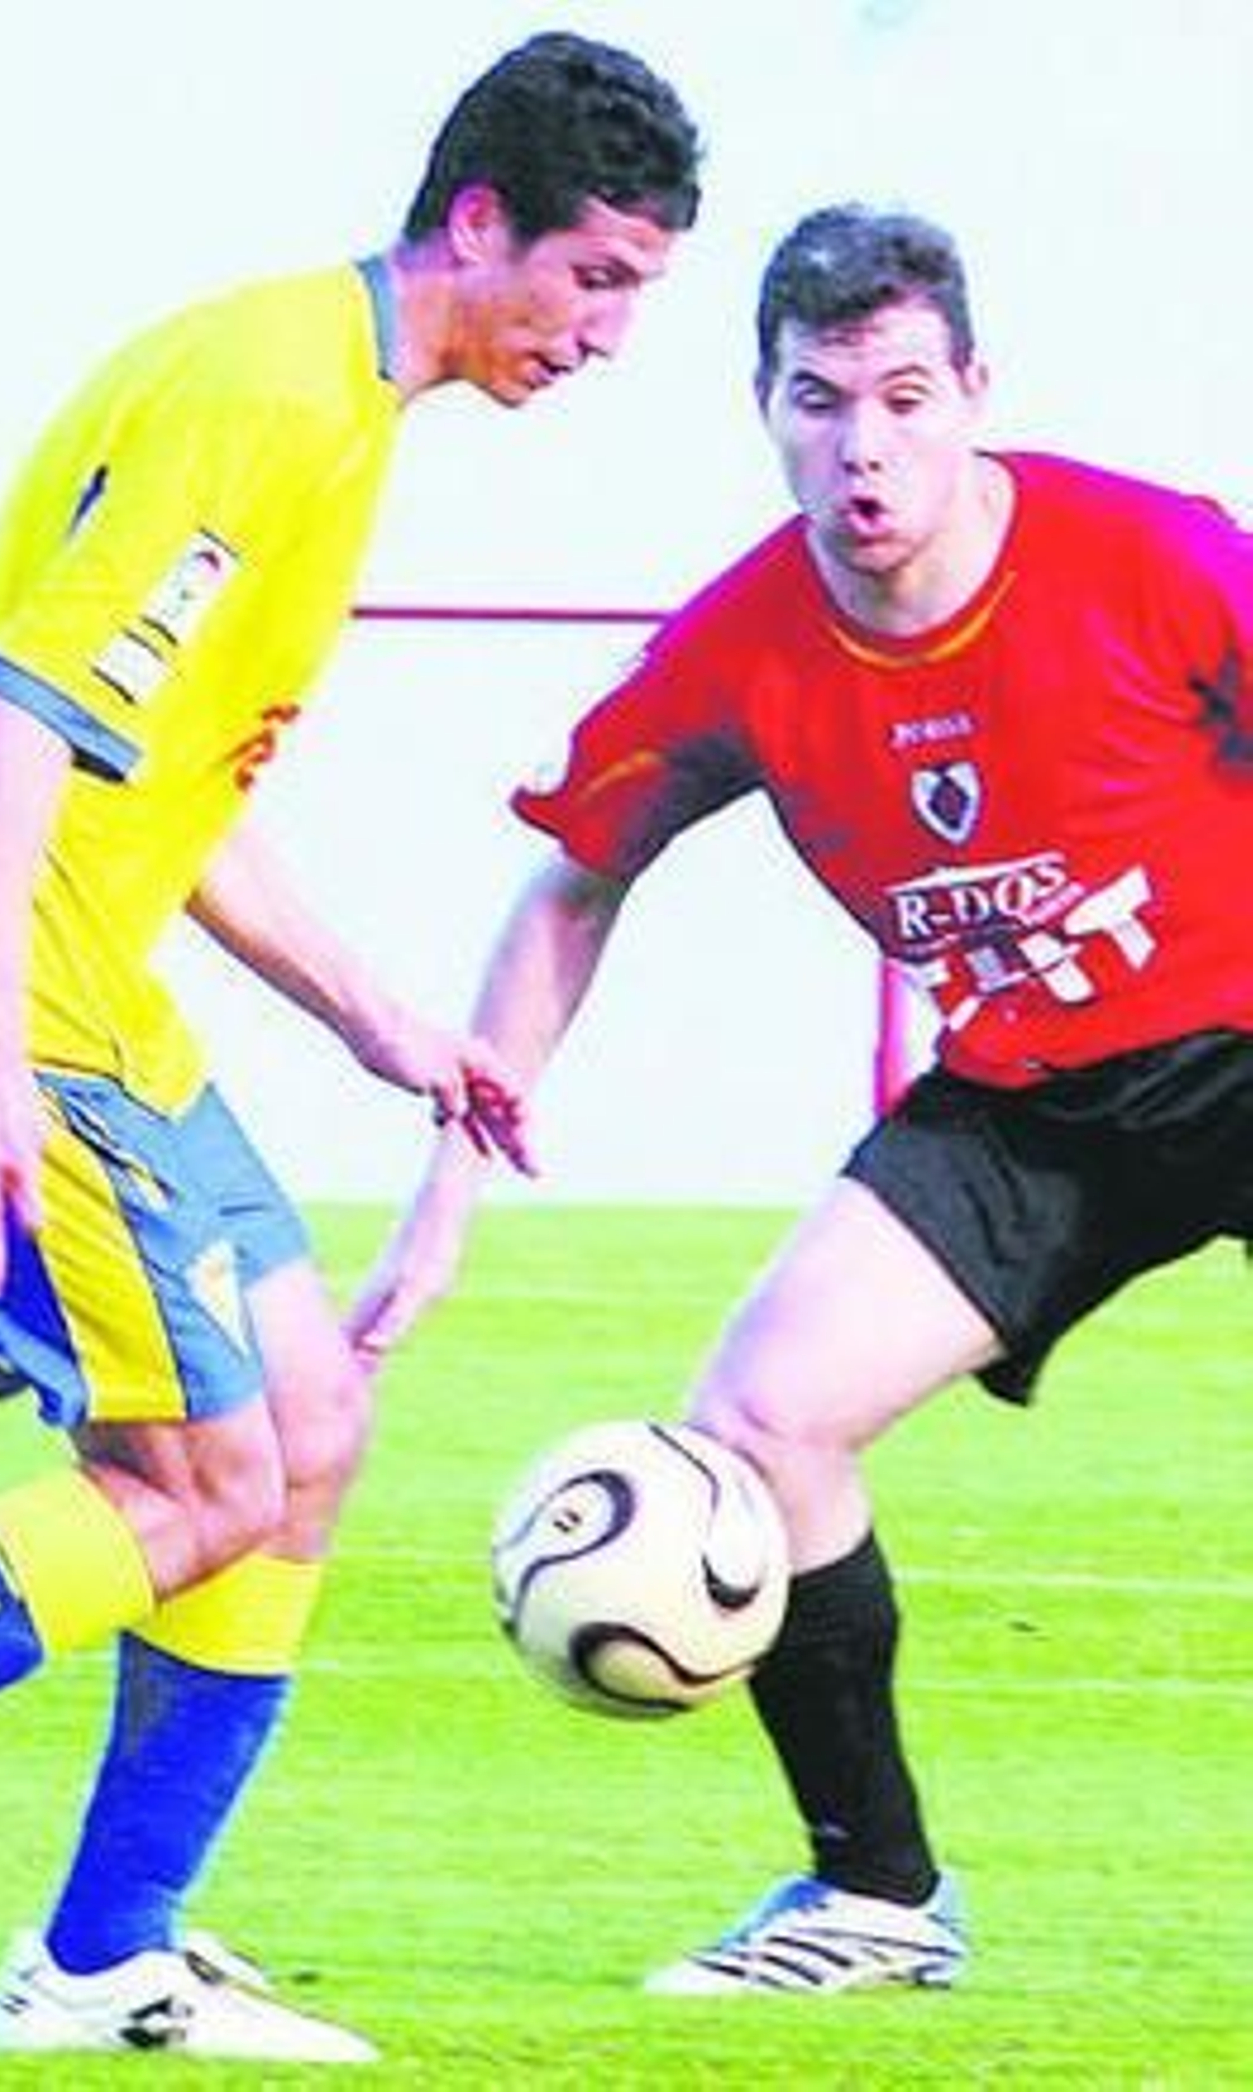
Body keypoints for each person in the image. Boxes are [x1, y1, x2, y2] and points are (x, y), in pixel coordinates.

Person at [0, 33, 701, 2060]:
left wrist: (388, 1024)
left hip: (91, 1008)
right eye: (597, 277)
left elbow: (177, 784)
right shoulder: (267, 397)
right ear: (477, 222)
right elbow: (11, 706)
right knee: (204, 1478)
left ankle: (103, 1954)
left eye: (634, 290)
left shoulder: (339, 398)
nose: (606, 333)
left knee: (308, 1418)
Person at [351, 200, 1253, 1996]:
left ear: (974, 391)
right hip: (1027, 1107)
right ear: (764, 405)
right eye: (821, 400)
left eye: (909, 398)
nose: (868, 448)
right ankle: (877, 1899)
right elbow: (574, 878)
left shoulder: (1156, 556)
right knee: (761, 1420)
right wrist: (448, 1188)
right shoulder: (742, 648)